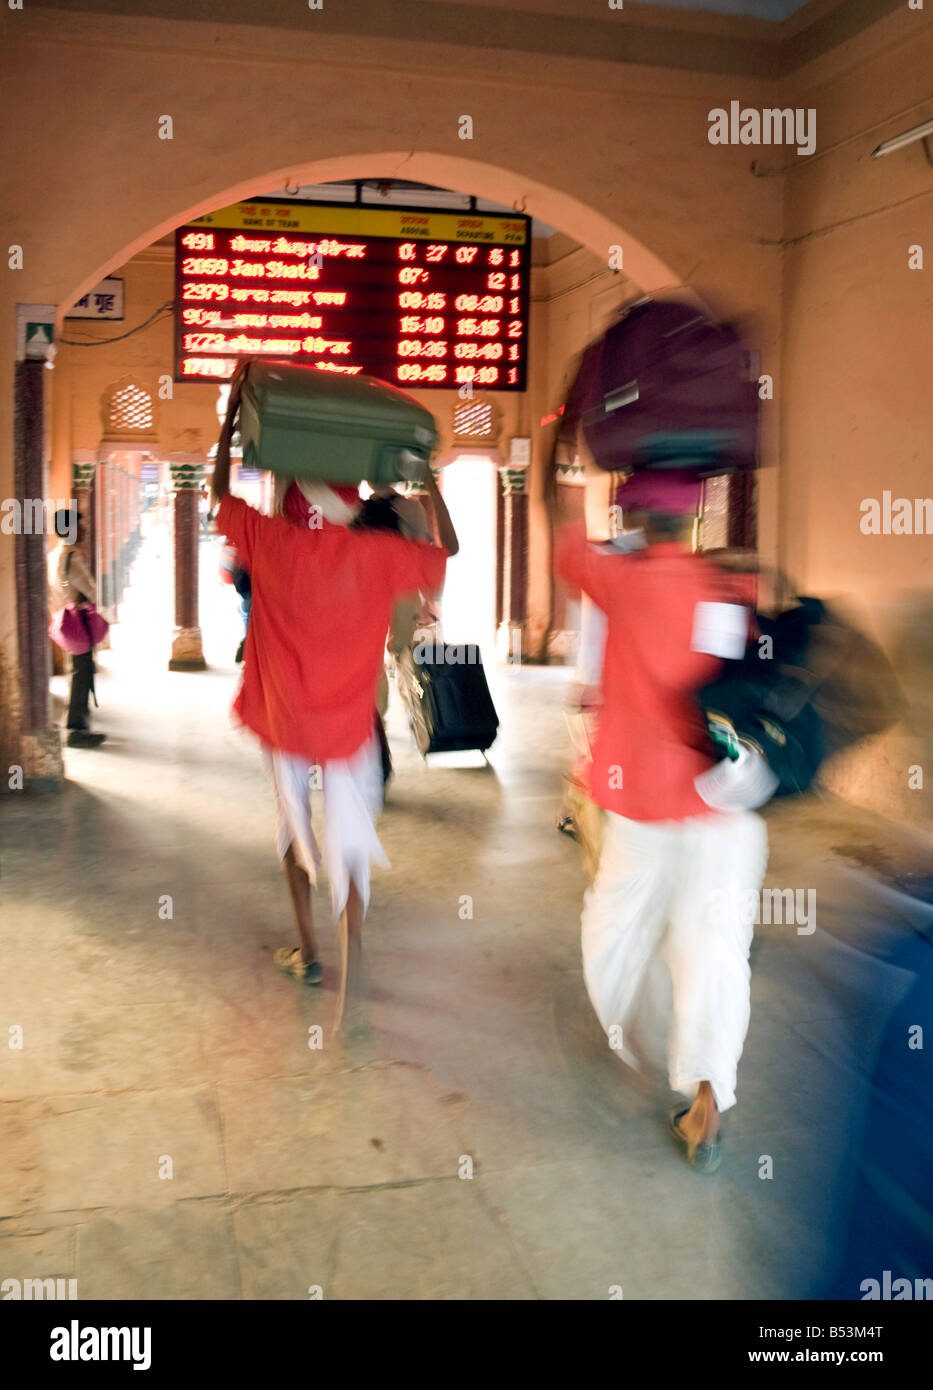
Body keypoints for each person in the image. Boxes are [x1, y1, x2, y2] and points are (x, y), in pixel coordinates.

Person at [211, 366, 458, 1025]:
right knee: (349, 838)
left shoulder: (270, 542)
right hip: (349, 721)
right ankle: (351, 946)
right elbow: (448, 550)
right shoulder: (376, 554)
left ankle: (307, 947)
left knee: (293, 831)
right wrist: (423, 474)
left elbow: (215, 495)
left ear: (291, 503)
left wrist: (232, 418)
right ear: (349, 507)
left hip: (282, 718)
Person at [554, 461, 768, 1173]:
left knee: (615, 928)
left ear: (637, 520)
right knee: (713, 954)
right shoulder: (726, 588)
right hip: (726, 804)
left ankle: (645, 1038)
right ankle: (707, 1102)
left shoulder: (623, 578)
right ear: (694, 517)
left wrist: (555, 446)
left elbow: (560, 538)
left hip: (644, 803)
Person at [47, 506, 106, 749]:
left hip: (62, 619)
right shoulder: (73, 556)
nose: (83, 529)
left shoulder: (55, 554)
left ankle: (76, 725)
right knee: (81, 674)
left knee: (77, 672)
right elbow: (90, 589)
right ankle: (75, 729)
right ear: (70, 529)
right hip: (77, 622)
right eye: (79, 525)